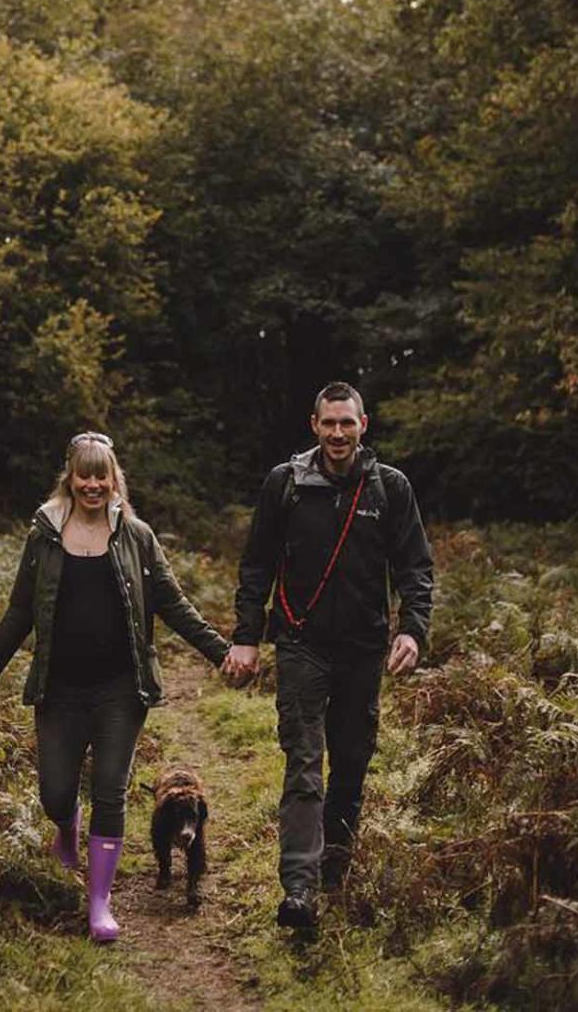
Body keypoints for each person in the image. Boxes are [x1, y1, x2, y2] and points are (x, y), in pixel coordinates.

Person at [0, 432, 230, 942]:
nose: (92, 484)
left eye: (101, 475)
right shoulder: (44, 535)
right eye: (83, 475)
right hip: (59, 688)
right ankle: (67, 827)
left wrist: (220, 651)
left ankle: (99, 902)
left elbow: (172, 604)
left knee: (112, 789)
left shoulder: (136, 536)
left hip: (120, 689)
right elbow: (21, 609)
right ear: (70, 476)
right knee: (54, 793)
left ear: (114, 480)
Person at [222, 381, 433, 930]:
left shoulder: (390, 489)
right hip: (300, 645)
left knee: (352, 762)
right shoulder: (285, 485)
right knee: (304, 763)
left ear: (364, 426)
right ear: (313, 426)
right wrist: (247, 635)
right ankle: (299, 889)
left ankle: (335, 871)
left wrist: (412, 630)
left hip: (364, 651)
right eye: (329, 423)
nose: (338, 433)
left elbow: (415, 568)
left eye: (348, 423)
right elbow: (256, 565)